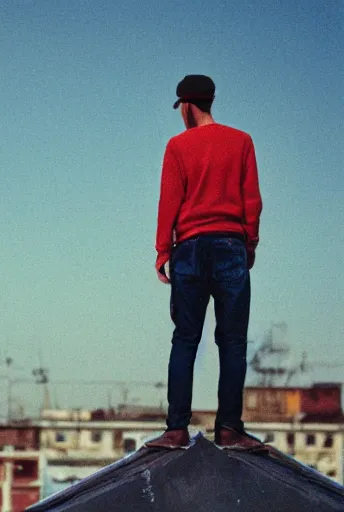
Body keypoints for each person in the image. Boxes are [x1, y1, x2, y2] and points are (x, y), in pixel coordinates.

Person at [147, 75, 264, 449]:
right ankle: (229, 429)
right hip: (231, 245)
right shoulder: (242, 141)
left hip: (190, 250)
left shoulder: (178, 146)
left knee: (185, 339)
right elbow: (252, 200)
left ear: (185, 106)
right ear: (210, 100)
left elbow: (170, 200)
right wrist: (250, 244)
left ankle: (176, 429)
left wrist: (163, 250)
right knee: (232, 342)